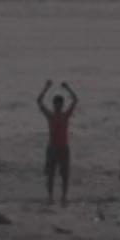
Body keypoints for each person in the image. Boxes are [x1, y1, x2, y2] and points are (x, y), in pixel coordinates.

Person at [36, 79, 79, 207]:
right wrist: (46, 88)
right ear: (54, 105)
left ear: (62, 105)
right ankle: (50, 197)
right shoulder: (51, 116)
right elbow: (39, 102)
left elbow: (75, 100)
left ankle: (63, 198)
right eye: (56, 104)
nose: (57, 106)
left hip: (63, 148)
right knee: (50, 174)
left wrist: (68, 88)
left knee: (65, 175)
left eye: (59, 104)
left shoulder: (65, 115)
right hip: (52, 148)